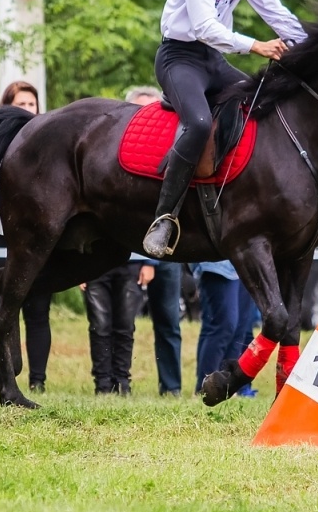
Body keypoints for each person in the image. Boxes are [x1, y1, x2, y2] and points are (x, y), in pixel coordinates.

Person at [145, 0, 306, 257]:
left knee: (264, 104)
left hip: (213, 61)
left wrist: (312, 47)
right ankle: (164, 217)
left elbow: (275, 12)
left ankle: (236, 198)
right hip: (179, 58)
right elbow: (203, 27)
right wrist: (257, 46)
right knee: (199, 123)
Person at [0, 81, 54, 391]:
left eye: (31, 105)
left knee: (38, 309)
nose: (27, 110)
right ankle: (8, 370)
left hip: (35, 237)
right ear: (6, 106)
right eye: (20, 104)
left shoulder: (50, 142)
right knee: (4, 304)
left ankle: (38, 380)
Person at [126, 85, 183, 396]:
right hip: (129, 254)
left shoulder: (175, 159)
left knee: (169, 323)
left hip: (167, 256)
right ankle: (118, 385)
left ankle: (171, 387)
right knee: (121, 325)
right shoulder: (124, 165)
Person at [193, 260, 257, 393]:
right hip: (219, 264)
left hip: (247, 263)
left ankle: (227, 389)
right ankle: (204, 389)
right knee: (225, 326)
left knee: (240, 329)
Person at [82, 261, 143, 395]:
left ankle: (122, 382)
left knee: (126, 326)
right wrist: (79, 269)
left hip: (131, 262)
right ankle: (103, 383)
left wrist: (150, 263)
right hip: (94, 263)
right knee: (99, 326)